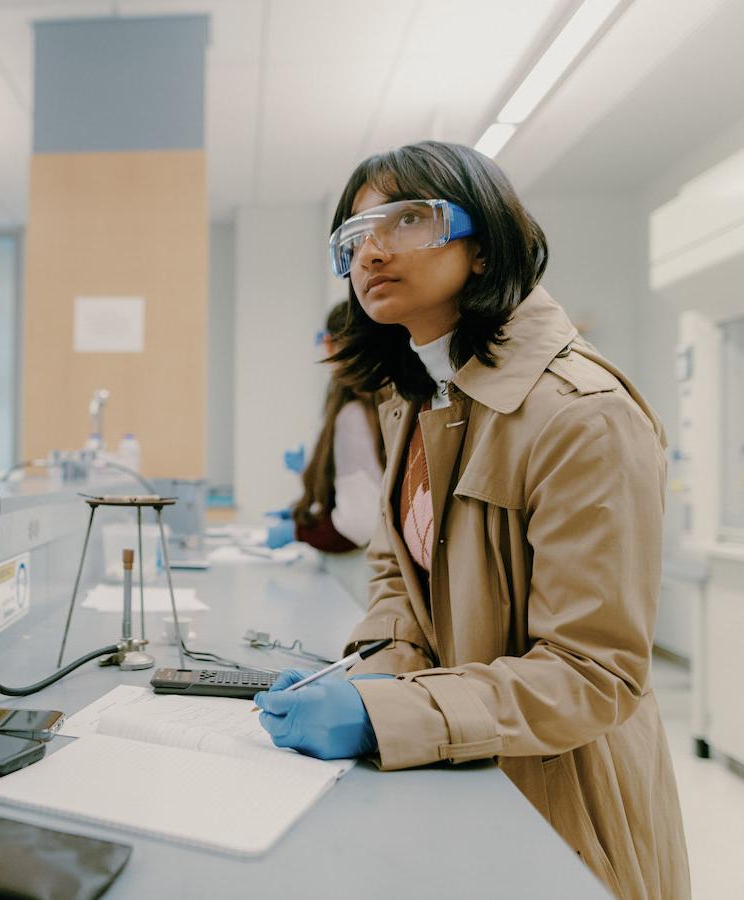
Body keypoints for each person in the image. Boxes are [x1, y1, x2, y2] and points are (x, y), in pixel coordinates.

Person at [255, 141, 689, 899]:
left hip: (565, 801)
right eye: (353, 237)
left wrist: (384, 715)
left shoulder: (582, 416)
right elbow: (399, 574)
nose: (372, 251)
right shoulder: (418, 398)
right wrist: (366, 672)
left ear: (484, 246)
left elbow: (593, 676)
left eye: (406, 220)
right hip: (462, 766)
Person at [266, 302, 385, 602]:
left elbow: (358, 526)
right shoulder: (378, 405)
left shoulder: (354, 417)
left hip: (358, 585)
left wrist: (301, 530)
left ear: (331, 344)